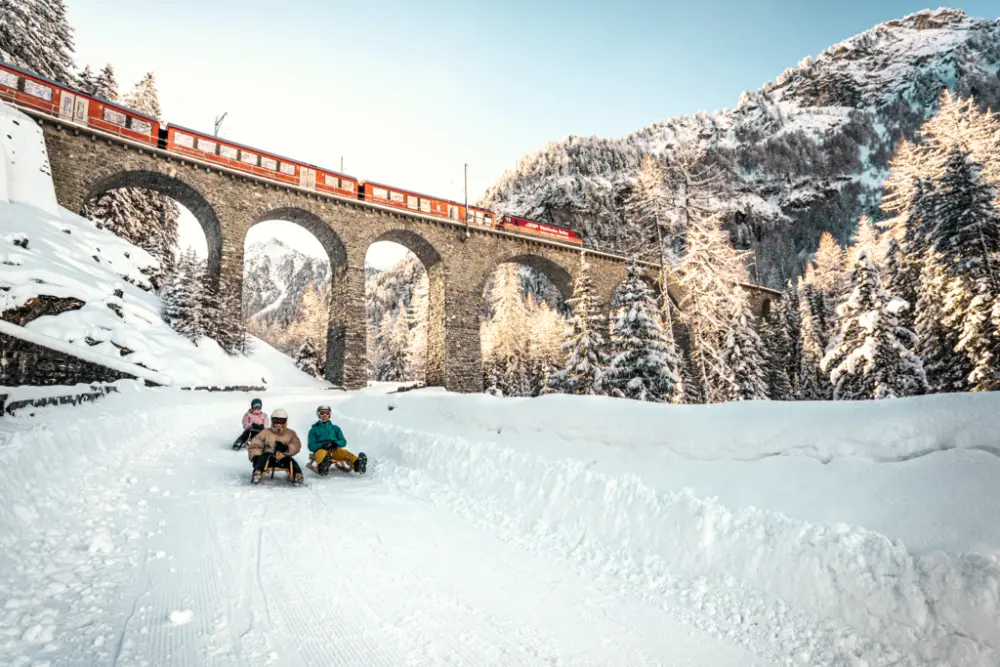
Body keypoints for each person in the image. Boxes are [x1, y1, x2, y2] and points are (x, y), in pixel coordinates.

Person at [248, 408, 303, 485]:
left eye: (280, 421)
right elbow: (255, 444)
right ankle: (257, 472)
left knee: (291, 461)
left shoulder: (290, 433)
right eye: (275, 421)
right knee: (263, 458)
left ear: (285, 421)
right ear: (272, 420)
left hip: (282, 457)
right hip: (268, 458)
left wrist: (287, 448)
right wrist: (256, 456)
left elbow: (296, 445)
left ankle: (297, 474)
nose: (278, 424)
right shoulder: (266, 432)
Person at [306, 405, 367, 475]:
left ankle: (358, 464)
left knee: (344, 452)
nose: (325, 415)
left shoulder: (335, 428)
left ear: (329, 415)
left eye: (327, 413)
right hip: (321, 450)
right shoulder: (313, 430)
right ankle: (323, 466)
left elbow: (343, 442)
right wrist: (322, 444)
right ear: (319, 415)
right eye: (322, 413)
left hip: (334, 450)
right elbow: (311, 446)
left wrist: (336, 443)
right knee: (322, 454)